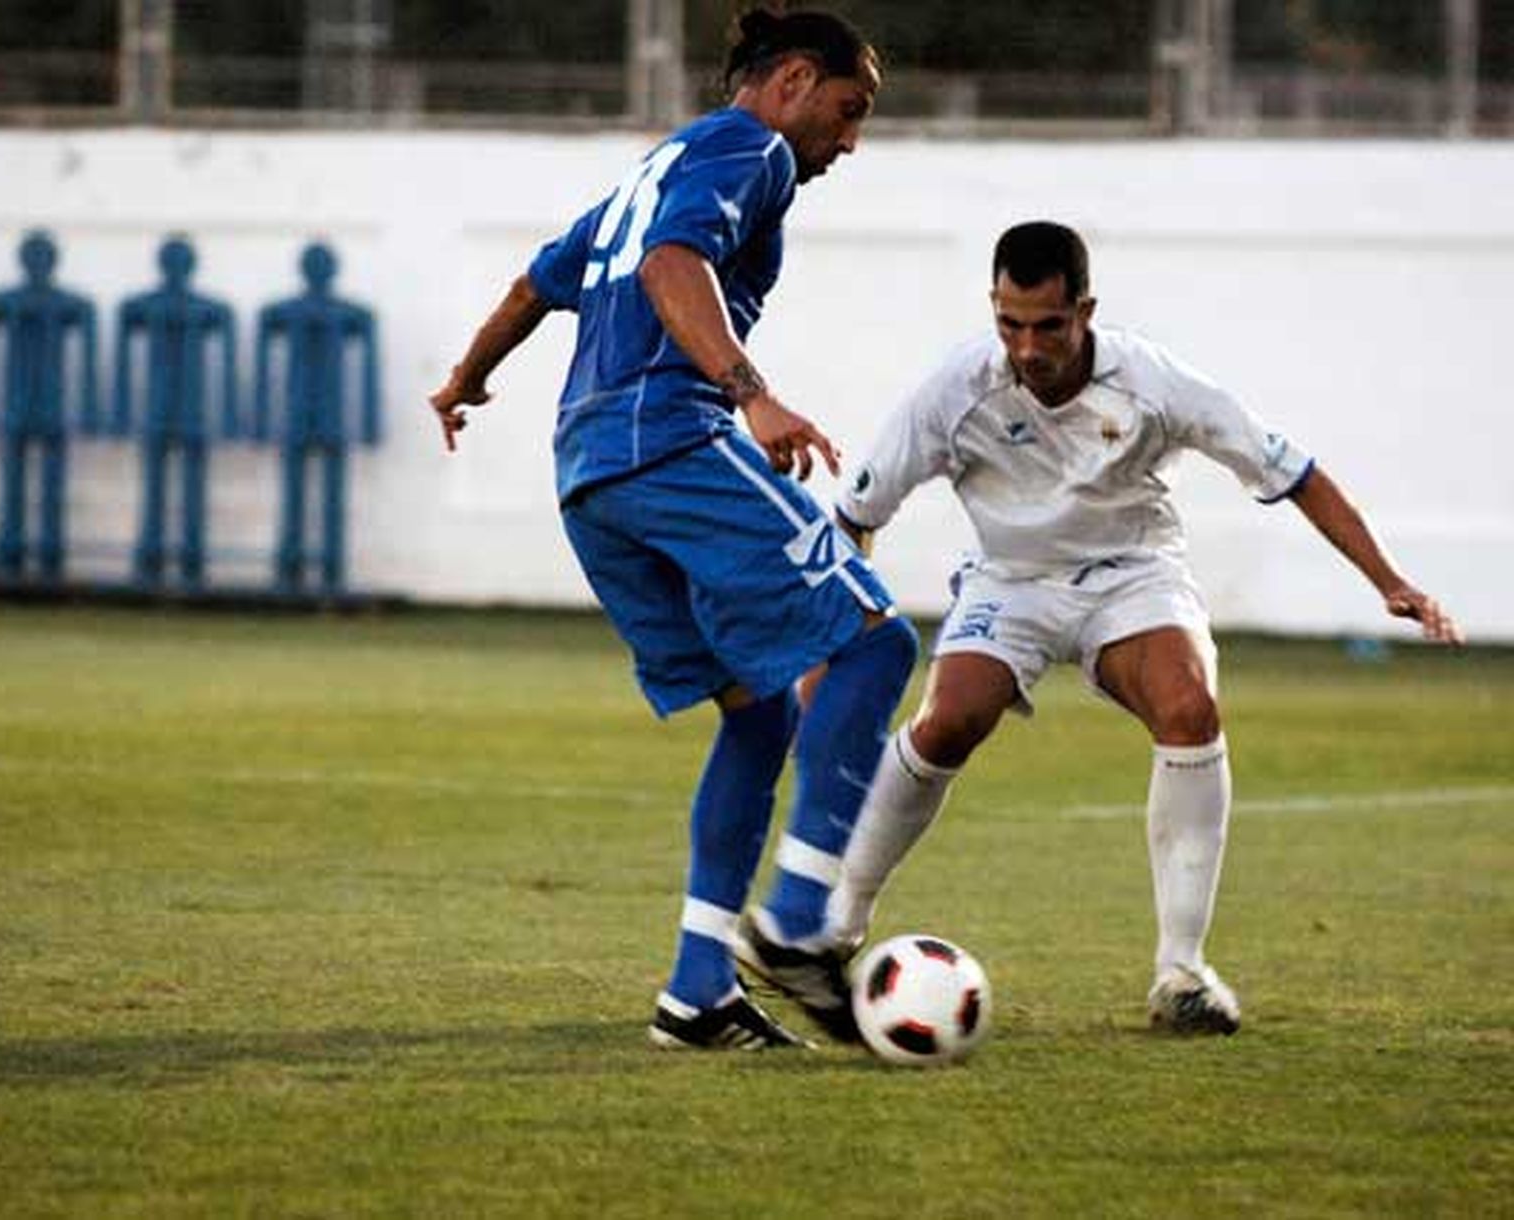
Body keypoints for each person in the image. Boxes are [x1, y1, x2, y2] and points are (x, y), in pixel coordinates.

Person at [822, 220, 1463, 1036]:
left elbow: (1296, 473)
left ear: (1085, 311)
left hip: (1133, 575)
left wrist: (1390, 582)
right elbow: (856, 516)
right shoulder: (955, 389)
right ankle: (835, 925)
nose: (1027, 347)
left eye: (1048, 326)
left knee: (1190, 709)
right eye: (1009, 324)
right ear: (993, 308)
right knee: (947, 720)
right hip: (1011, 581)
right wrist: (835, 638)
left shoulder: (1153, 382)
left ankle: (1182, 973)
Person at [429, 8, 916, 1050]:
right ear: (793, 80)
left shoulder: (651, 170)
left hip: (589, 476)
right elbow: (671, 265)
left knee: (758, 714)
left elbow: (533, 285)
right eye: (848, 110)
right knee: (875, 642)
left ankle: (698, 990)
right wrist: (753, 394)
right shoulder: (752, 151)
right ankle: (797, 920)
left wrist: (466, 380)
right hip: (670, 443)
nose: (849, 140)